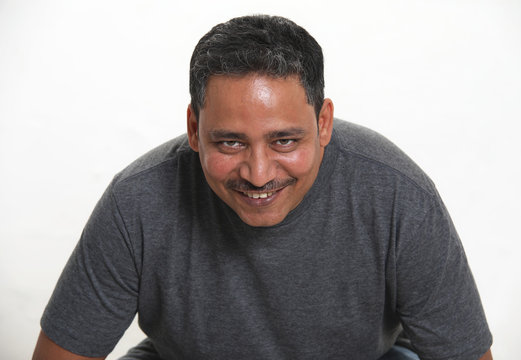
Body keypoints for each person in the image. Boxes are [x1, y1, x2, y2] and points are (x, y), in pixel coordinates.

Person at [32, 15, 493, 360]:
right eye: (230, 141)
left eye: (285, 140)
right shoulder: (136, 202)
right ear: (194, 129)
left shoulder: (397, 194)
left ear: (324, 123)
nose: (257, 173)